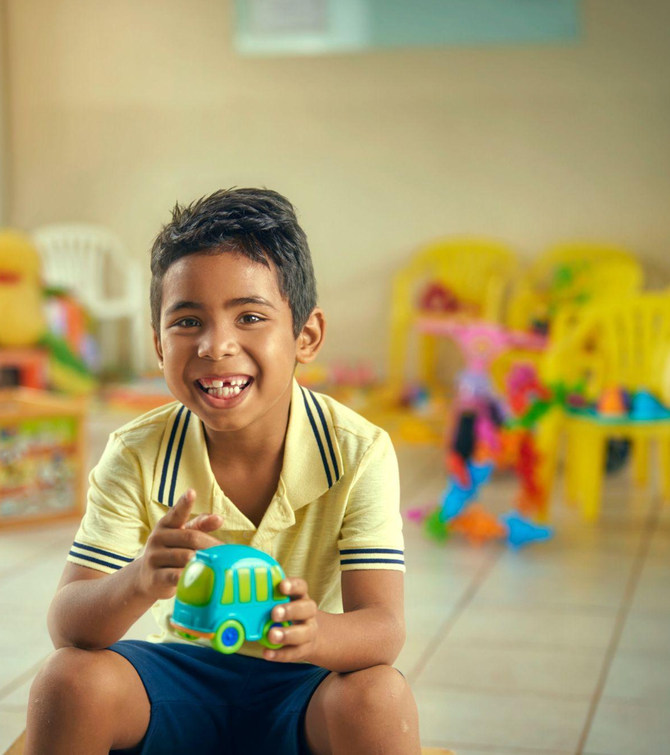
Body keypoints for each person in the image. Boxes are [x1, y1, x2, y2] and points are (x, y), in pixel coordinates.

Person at [25, 188, 420, 755]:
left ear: (306, 336)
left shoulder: (358, 451)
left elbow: (383, 629)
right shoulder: (135, 451)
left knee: (379, 696)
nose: (216, 346)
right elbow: (68, 626)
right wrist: (139, 580)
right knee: (67, 681)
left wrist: (313, 633)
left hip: (301, 686)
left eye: (250, 316)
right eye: (188, 321)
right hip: (175, 684)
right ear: (159, 346)